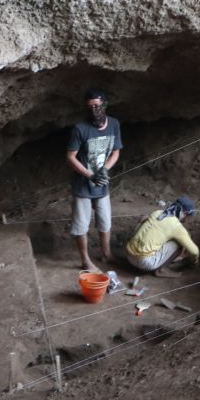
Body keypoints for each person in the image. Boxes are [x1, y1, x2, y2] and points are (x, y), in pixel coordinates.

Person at [67, 88, 123, 271]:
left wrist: (105, 170)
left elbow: (116, 151)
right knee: (81, 224)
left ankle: (106, 254)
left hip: (102, 185)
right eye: (90, 107)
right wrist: (90, 175)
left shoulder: (114, 124)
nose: (94, 110)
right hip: (83, 185)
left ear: (105, 105)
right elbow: (71, 157)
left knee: (105, 220)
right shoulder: (80, 129)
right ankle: (85, 260)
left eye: (98, 106)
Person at [125, 197, 199, 277]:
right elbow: (194, 252)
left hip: (129, 255)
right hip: (144, 262)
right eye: (188, 216)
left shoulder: (157, 212)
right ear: (185, 213)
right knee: (179, 244)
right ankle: (160, 270)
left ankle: (162, 259)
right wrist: (194, 261)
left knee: (147, 222)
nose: (188, 220)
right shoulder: (176, 226)